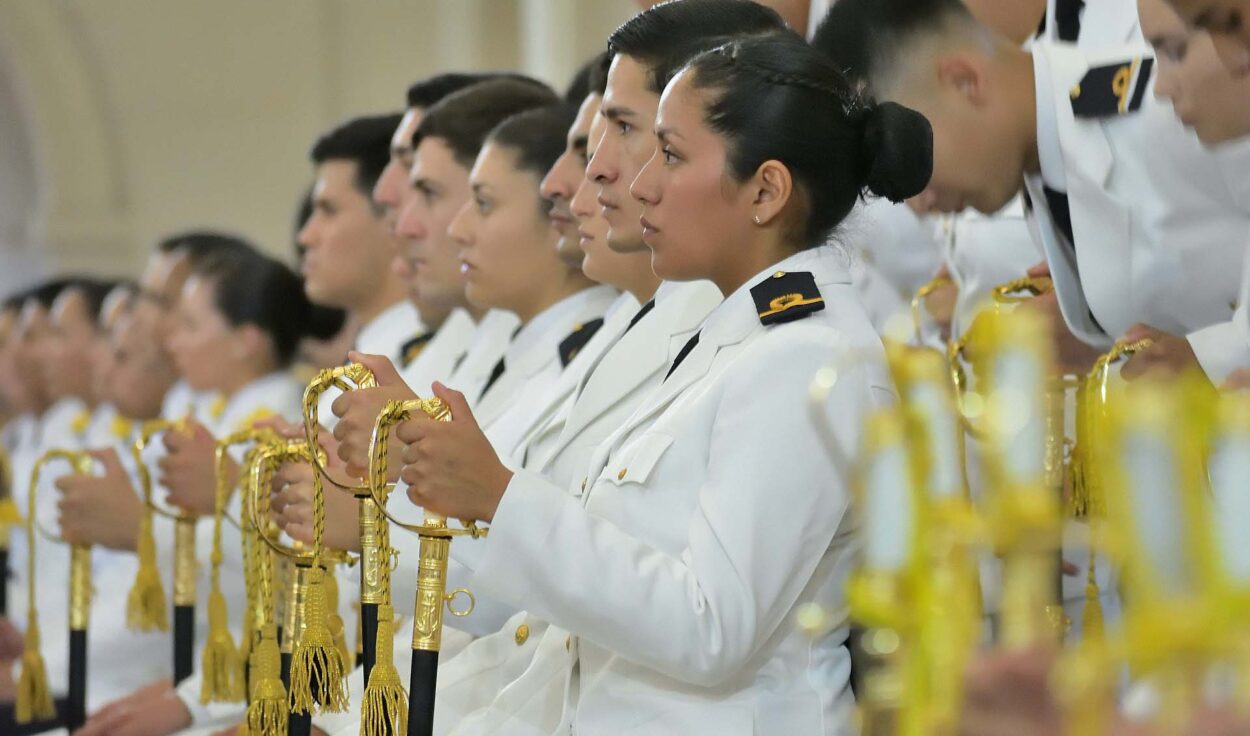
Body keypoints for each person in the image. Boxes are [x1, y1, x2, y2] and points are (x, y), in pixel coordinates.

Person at [395, 28, 924, 735]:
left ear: (765, 189)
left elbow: (710, 626)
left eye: (670, 155)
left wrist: (499, 495)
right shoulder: (731, 337)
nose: (641, 183)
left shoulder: (806, 355)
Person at [817, 0, 1250, 385]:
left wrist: (1207, 358)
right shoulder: (1043, 165)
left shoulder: (1163, 105)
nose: (919, 204)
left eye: (908, 162)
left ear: (964, 82)